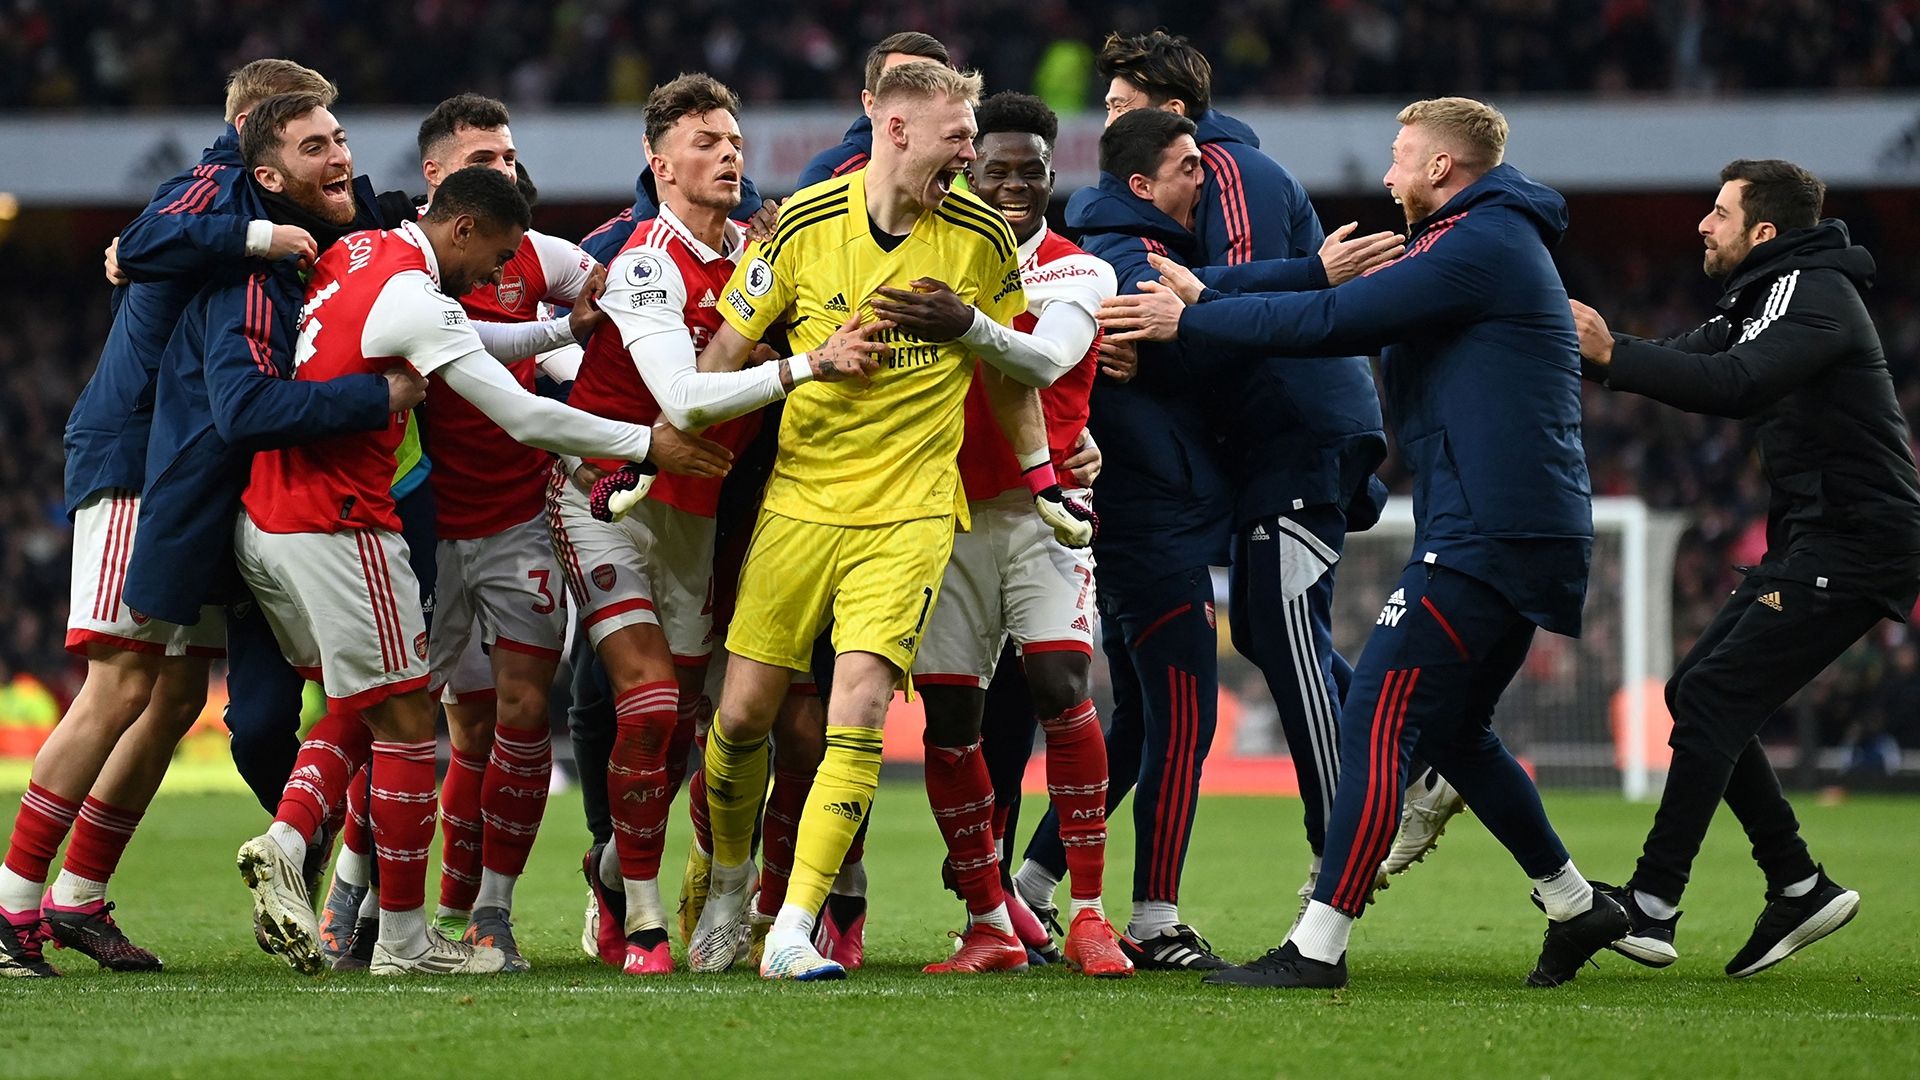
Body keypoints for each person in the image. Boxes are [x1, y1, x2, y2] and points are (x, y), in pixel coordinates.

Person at [1100, 97, 1628, 989]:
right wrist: (1211, 292)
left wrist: (1187, 320)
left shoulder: (1482, 243)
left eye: (1399, 157)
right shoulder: (1476, 240)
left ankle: (1317, 947)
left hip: (1491, 528)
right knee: (1456, 731)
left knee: (1376, 709)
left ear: (1440, 169)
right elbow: (1334, 298)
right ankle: (1577, 904)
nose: (1386, 175)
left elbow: (1332, 323)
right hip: (1510, 520)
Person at [231, 160, 727, 977]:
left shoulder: (359, 253)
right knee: (400, 722)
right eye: (494, 258)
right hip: (344, 519)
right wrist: (646, 444)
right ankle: (392, 930)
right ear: (461, 227)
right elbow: (523, 413)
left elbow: (480, 338)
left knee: (373, 706)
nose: (499, 276)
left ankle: (307, 851)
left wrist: (565, 331)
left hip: (272, 515)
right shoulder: (422, 298)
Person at [685, 60, 1076, 981]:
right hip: (801, 501)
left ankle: (792, 927)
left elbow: (1013, 370)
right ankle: (733, 881)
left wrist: (1042, 475)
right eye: (957, 134)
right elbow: (717, 360)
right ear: (897, 128)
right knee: (742, 718)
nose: (970, 152)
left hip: (911, 511)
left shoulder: (980, 235)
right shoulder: (804, 226)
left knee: (855, 711)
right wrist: (811, 362)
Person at [0, 59, 374, 980]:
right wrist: (249, 236)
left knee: (169, 698)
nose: (330, 153)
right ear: (256, 132)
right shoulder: (214, 180)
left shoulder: (274, 208)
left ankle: (79, 897)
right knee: (120, 681)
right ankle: (10, 906)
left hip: (191, 465)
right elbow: (150, 235)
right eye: (307, 135)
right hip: (137, 452)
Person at [554, 73, 873, 975]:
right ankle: (650, 924)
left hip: (709, 513)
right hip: (611, 499)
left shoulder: (766, 253)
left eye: (733, 138)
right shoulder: (645, 260)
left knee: (691, 722)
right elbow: (685, 399)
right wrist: (805, 363)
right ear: (659, 164)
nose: (728, 152)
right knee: (650, 707)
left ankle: (617, 867)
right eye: (704, 141)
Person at [1570, 159, 1920, 977]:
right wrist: (1579, 347)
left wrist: (1611, 352)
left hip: (1857, 539)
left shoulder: (1812, 290)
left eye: (1718, 212)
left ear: (1764, 231)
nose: (1702, 224)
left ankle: (1655, 903)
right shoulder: (1765, 295)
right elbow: (1684, 360)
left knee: (1715, 693)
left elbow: (1730, 383)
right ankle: (1797, 884)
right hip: (1817, 537)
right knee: (1696, 691)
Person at [879, 90, 1129, 977]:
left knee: (1063, 684)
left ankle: (1093, 912)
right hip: (938, 514)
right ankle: (990, 922)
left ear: (1055, 176)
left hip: (1046, 511)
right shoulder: (928, 262)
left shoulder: (1076, 271)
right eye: (998, 170)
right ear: (968, 173)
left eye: (1032, 169)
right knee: (951, 717)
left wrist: (965, 323)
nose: (1016, 183)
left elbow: (1046, 360)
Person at [405, 94, 607, 971]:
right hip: (424, 526)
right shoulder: (404, 264)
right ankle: (362, 893)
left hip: (519, 518)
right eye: (484, 157)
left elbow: (600, 311)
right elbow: (479, 343)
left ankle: (489, 913)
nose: (504, 168)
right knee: (419, 722)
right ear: (437, 174)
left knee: (525, 714)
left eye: (511, 155)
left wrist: (578, 368)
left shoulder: (539, 254)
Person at [795, 31, 952, 188]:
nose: (918, 101)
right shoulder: (830, 176)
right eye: (902, 85)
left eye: (930, 86)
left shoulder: (965, 167)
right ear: (870, 103)